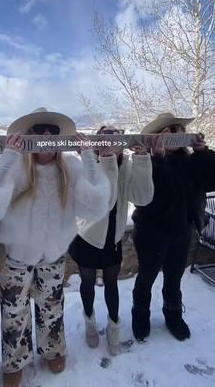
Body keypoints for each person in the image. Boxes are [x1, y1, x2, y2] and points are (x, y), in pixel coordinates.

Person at [0, 108, 111, 387]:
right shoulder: (15, 165)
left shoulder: (72, 167)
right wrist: (6, 159)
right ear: (29, 134)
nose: (46, 135)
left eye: (52, 131)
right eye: (40, 129)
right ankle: (14, 361)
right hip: (16, 259)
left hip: (53, 257)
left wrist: (89, 159)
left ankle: (53, 349)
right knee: (14, 312)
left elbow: (95, 207)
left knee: (52, 307)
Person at [68, 125, 154, 355]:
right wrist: (105, 163)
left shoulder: (127, 165)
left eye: (116, 134)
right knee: (87, 283)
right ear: (96, 142)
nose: (111, 138)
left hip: (112, 237)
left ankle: (114, 324)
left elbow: (142, 198)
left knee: (111, 283)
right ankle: (89, 321)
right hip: (87, 236)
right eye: (104, 134)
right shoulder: (88, 166)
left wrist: (143, 159)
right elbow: (103, 203)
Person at [131, 113, 215, 342]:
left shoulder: (190, 162)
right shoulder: (144, 161)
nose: (175, 135)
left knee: (174, 279)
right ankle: (140, 315)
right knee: (146, 278)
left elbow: (210, 180)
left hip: (181, 231)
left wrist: (203, 153)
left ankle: (173, 314)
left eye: (178, 130)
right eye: (168, 132)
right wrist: (157, 159)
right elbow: (150, 196)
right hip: (151, 232)